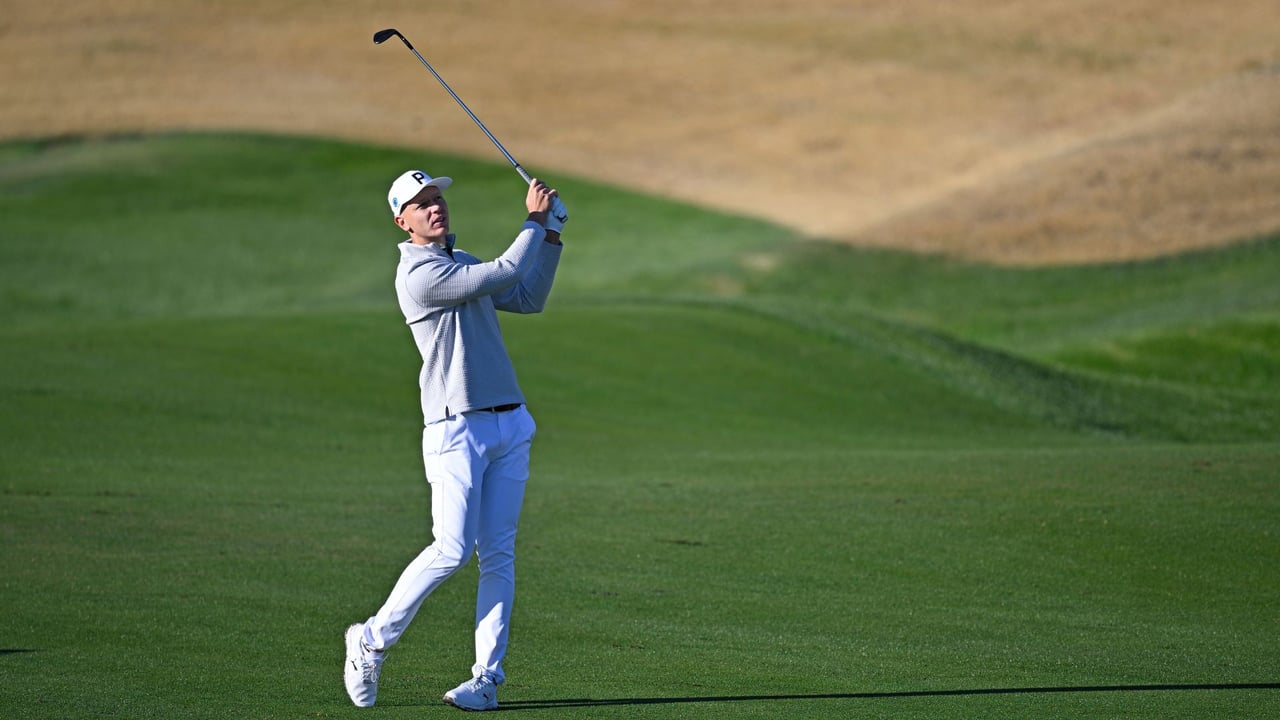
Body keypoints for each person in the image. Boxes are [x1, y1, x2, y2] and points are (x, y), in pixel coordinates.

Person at [344, 169, 567, 711]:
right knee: (449, 550)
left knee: (498, 556)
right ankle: (371, 640)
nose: (434, 208)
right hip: (455, 429)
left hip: (509, 423)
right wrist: (535, 219)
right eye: (421, 204)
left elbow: (527, 295)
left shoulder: (462, 262)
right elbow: (508, 267)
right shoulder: (418, 276)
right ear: (403, 221)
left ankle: (486, 680)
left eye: (437, 198)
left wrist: (553, 238)